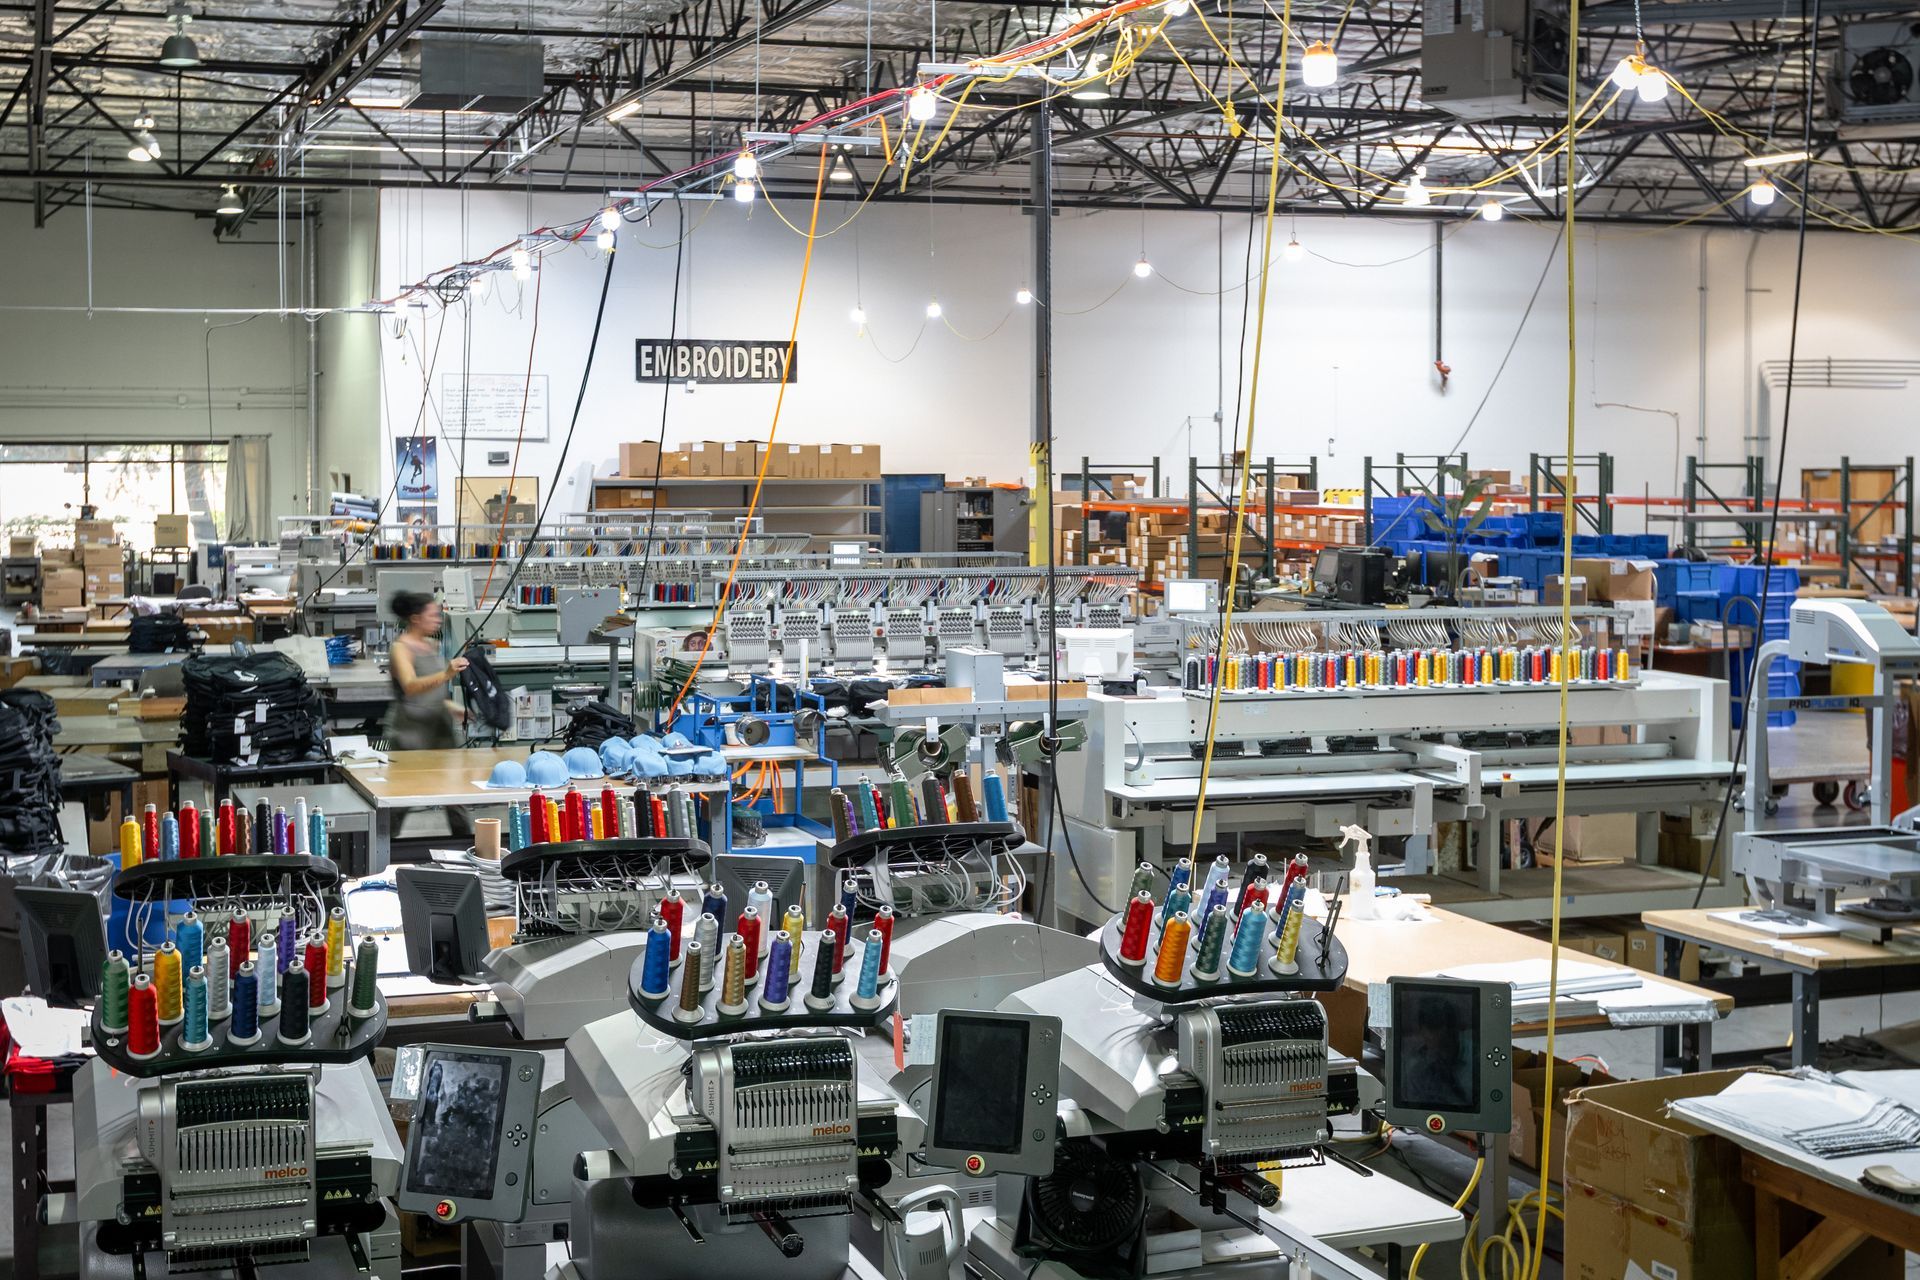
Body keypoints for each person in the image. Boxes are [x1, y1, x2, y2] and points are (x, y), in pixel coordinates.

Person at [387, 591, 469, 750]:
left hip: (438, 728)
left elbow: (430, 688)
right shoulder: (401, 648)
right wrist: (446, 674)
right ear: (416, 618)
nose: (437, 621)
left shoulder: (431, 644)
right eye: (432, 616)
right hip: (411, 732)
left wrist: (449, 705)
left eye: (438, 615)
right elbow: (410, 686)